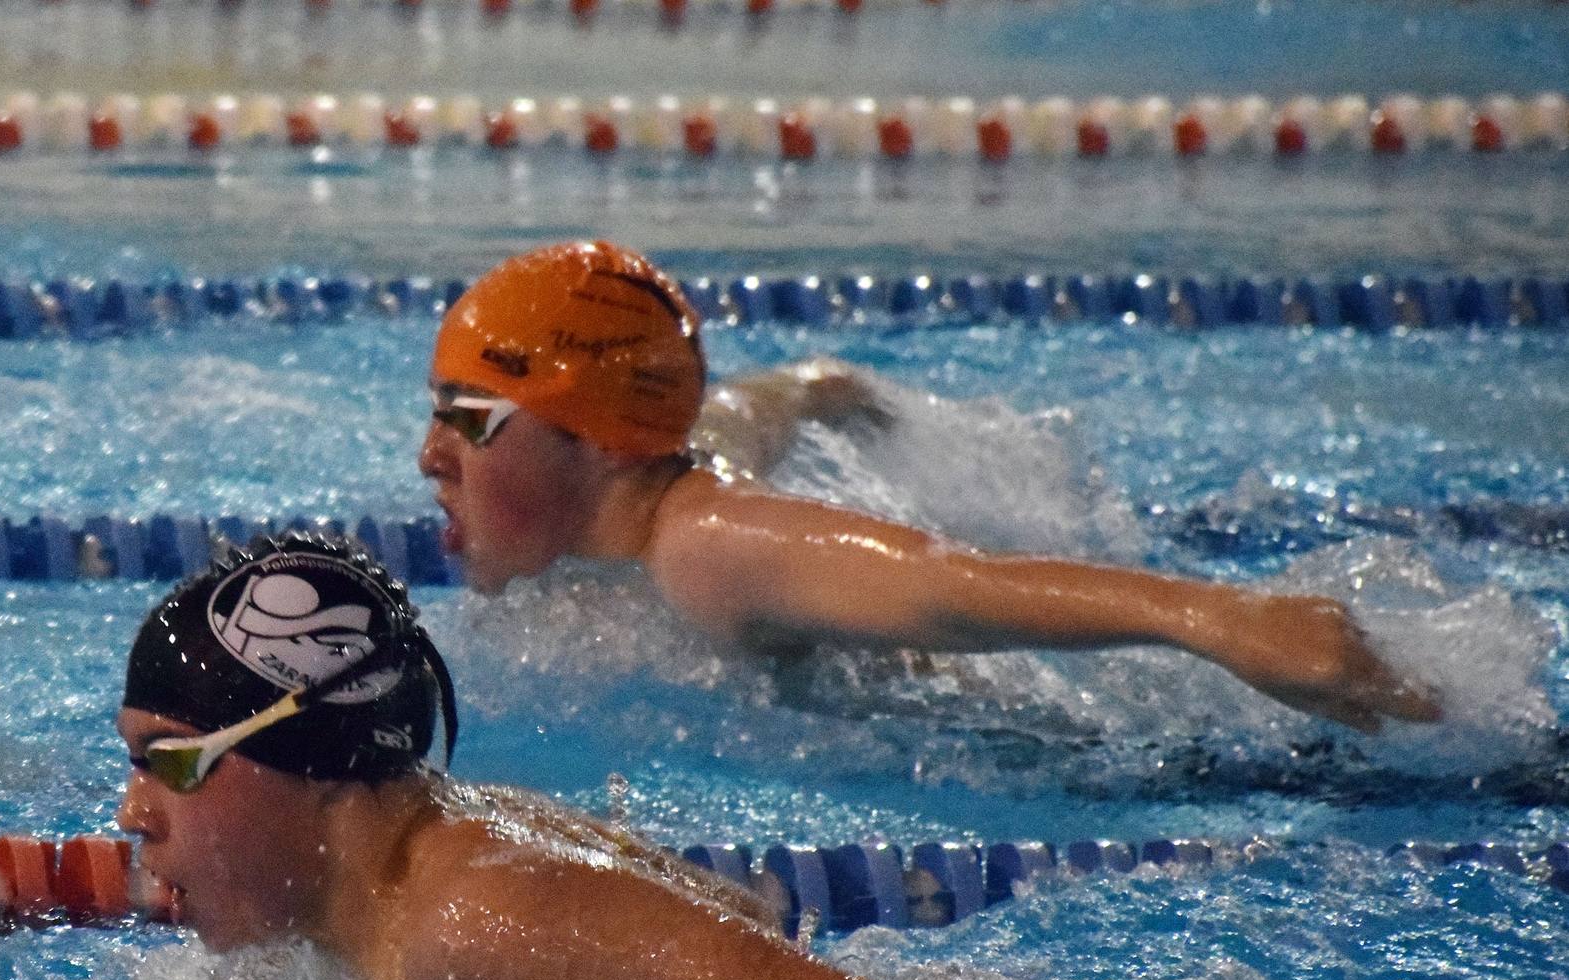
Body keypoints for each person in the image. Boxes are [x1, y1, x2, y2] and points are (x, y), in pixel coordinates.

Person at [116, 532, 986, 980]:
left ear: (305, 749)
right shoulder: (403, 885)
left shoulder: (484, 913)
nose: (132, 814)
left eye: (170, 761)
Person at [418, 240, 1442, 734]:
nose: (430, 456)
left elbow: (944, 587)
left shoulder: (706, 544)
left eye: (469, 420)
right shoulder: (674, 464)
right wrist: (837, 390)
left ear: (598, 443)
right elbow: (775, 397)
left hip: (1071, 742)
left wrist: (1219, 618)